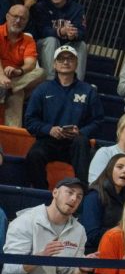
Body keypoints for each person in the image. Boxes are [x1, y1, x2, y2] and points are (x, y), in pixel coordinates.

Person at [24, 45, 102, 187]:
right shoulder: (43, 89)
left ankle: (82, 192)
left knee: (82, 144)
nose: (65, 62)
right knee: (34, 155)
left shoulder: (88, 91)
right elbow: (29, 121)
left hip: (75, 144)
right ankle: (41, 193)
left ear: (77, 63)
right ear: (54, 64)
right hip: (48, 140)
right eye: (61, 59)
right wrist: (49, 129)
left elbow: (98, 121)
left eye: (70, 58)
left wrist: (81, 132)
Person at [79, 152, 125, 252]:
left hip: (120, 249)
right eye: (120, 167)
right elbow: (92, 235)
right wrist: (124, 232)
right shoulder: (94, 195)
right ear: (110, 170)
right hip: (94, 252)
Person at [32, 0, 87, 78]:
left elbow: (82, 31)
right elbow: (41, 30)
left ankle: (78, 84)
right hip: (45, 46)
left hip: (66, 45)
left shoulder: (77, 9)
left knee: (81, 45)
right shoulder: (41, 6)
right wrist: (60, 31)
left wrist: (73, 35)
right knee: (51, 40)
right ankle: (50, 80)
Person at [0, 2, 44, 126]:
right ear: (7, 16)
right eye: (15, 16)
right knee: (18, 94)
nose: (18, 21)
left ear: (26, 22)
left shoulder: (28, 40)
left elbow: (30, 64)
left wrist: (18, 71)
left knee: (41, 73)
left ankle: (6, 89)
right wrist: (2, 76)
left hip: (14, 80)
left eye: (22, 18)